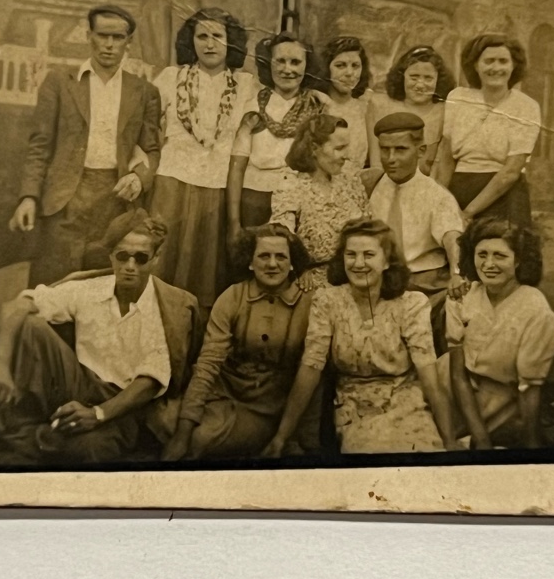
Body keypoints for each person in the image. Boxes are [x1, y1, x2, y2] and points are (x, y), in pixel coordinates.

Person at [0, 210, 202, 464]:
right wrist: (1, 364)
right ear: (110, 257)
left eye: (141, 258)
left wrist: (98, 414)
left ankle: (34, 433)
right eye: (123, 256)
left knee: (86, 451)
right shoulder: (90, 289)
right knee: (30, 325)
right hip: (79, 381)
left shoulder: (164, 306)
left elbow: (149, 382)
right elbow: (17, 306)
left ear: (155, 259)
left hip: (123, 403)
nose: (130, 266)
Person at [263, 218, 460, 456]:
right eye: (351, 255)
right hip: (354, 405)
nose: (358, 264)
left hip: (406, 398)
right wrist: (281, 436)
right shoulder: (327, 300)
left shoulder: (411, 304)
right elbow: (310, 368)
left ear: (387, 261)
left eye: (368, 255)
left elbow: (429, 377)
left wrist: (449, 442)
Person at [11, 5, 162, 288]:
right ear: (88, 35)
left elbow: (151, 150)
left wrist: (139, 178)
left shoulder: (144, 91)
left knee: (103, 289)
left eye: (118, 38)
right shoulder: (58, 82)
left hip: (116, 202)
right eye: (102, 35)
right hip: (65, 199)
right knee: (52, 288)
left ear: (128, 42)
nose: (109, 45)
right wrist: (28, 196)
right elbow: (39, 145)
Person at [160, 223, 314, 461]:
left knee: (200, 440)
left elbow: (313, 374)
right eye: (263, 256)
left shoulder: (310, 303)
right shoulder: (232, 296)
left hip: (264, 408)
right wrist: (182, 432)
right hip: (221, 393)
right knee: (166, 421)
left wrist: (290, 435)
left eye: (281, 257)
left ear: (292, 263)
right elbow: (208, 363)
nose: (272, 264)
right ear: (250, 262)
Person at [150, 8, 256, 308]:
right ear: (191, 41)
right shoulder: (171, 77)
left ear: (230, 41)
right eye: (202, 36)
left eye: (218, 36)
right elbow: (145, 127)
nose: (210, 44)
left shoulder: (246, 85)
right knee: (165, 262)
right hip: (171, 183)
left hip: (217, 186)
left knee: (207, 270)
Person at [445, 219, 554, 449]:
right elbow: (457, 375)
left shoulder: (537, 312)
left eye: (500, 256)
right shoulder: (461, 297)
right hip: (453, 388)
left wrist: (531, 443)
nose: (489, 264)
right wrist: (482, 438)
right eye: (482, 254)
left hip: (503, 400)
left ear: (518, 260)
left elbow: (529, 387)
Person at [365, 112, 466, 350]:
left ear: (420, 151)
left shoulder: (436, 195)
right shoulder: (371, 184)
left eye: (400, 150)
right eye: (385, 150)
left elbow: (453, 237)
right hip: (378, 279)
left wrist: (456, 273)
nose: (390, 158)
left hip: (423, 283)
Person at [226, 32, 329, 242]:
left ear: (307, 65)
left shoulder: (318, 106)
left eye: (295, 62)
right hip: (254, 204)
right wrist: (234, 223)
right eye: (280, 61)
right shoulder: (253, 106)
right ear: (268, 64)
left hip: (303, 204)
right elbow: (237, 169)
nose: (287, 69)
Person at [434, 34, 540, 226]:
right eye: (489, 61)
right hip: (457, 191)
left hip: (505, 196)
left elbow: (511, 171)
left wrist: (467, 213)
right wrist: (443, 201)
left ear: (513, 65)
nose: (496, 68)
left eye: (503, 61)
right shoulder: (458, 97)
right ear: (475, 65)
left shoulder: (526, 106)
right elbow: (447, 156)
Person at [270, 115, 370, 290]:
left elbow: (370, 229)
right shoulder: (291, 186)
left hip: (356, 277)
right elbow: (279, 235)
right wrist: (299, 268)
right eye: (339, 148)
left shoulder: (351, 181)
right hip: (311, 285)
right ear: (314, 148)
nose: (346, 156)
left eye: (347, 147)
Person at [367, 45, 454, 176]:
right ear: (402, 77)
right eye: (414, 77)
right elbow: (376, 163)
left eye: (428, 78)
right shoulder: (380, 106)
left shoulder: (445, 111)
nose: (420, 85)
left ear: (439, 80)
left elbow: (440, 165)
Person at [319, 36, 372, 169]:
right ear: (326, 68)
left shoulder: (366, 107)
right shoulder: (316, 104)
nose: (349, 73)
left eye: (355, 66)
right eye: (340, 65)